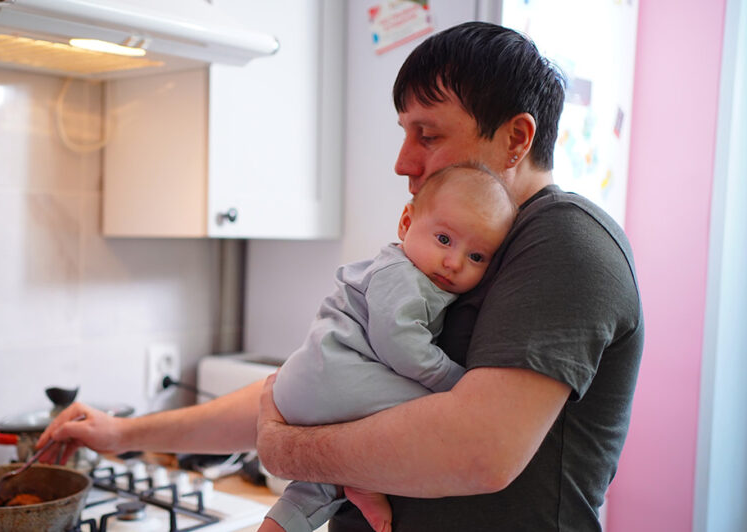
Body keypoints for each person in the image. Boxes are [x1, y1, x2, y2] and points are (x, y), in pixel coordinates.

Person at [37, 21, 644, 532]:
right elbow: (321, 377)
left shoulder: (565, 241)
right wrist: (124, 433)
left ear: (516, 138)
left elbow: (479, 451)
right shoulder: (454, 248)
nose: (404, 161)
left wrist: (283, 448)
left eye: (426, 134)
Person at [261, 163, 515, 532]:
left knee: (315, 484)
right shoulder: (401, 274)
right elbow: (400, 345)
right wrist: (457, 382)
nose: (454, 262)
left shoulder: (413, 275)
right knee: (435, 415)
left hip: (318, 384)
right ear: (406, 224)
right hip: (335, 373)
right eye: (444, 239)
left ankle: (294, 514)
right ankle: (363, 479)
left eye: (476, 257)